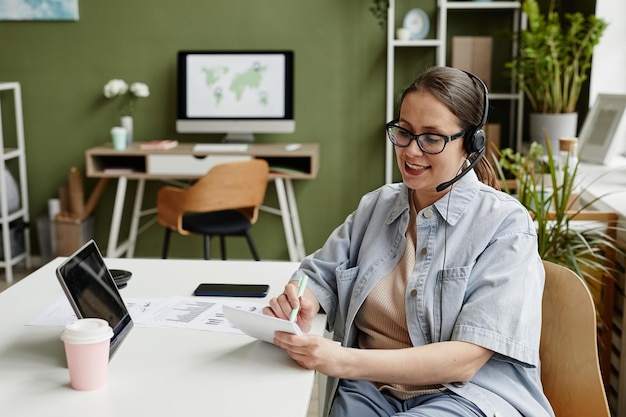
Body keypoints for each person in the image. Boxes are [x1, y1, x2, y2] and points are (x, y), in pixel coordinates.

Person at [264, 66, 555, 417]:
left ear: (470, 145)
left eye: (432, 138)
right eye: (404, 132)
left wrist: (344, 360)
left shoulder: (505, 225)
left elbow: (464, 360)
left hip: (465, 396)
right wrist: (300, 298)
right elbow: (318, 273)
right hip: (371, 389)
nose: (411, 151)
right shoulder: (377, 206)